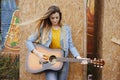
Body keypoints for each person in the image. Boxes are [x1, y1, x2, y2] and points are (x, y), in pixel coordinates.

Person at [26, 5, 85, 80]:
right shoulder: (44, 28)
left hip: (63, 61)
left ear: (60, 16)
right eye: (52, 18)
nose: (55, 20)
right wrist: (38, 54)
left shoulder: (66, 29)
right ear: (49, 18)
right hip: (49, 61)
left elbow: (71, 45)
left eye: (57, 17)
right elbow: (28, 41)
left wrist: (77, 56)